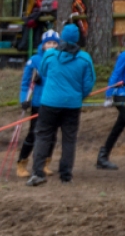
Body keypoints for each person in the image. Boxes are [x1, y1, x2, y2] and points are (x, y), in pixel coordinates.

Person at [28, 23, 96, 186]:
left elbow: (43, 72)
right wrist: (80, 96)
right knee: (69, 139)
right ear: (78, 39)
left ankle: (38, 173)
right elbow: (88, 83)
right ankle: (66, 174)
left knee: (43, 136)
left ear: (62, 38)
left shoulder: (50, 55)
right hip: (72, 105)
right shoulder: (84, 58)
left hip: (49, 102)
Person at [15, 31, 59, 178]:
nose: (51, 46)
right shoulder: (34, 60)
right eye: (49, 43)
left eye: (54, 43)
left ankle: (45, 162)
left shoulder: (60, 59)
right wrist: (24, 99)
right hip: (38, 102)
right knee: (34, 133)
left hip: (54, 102)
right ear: (43, 44)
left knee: (52, 135)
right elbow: (25, 82)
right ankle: (22, 162)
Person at [95, 31, 125, 170]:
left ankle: (102, 157)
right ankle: (102, 157)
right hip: (122, 93)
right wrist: (108, 95)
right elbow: (116, 74)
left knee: (119, 126)